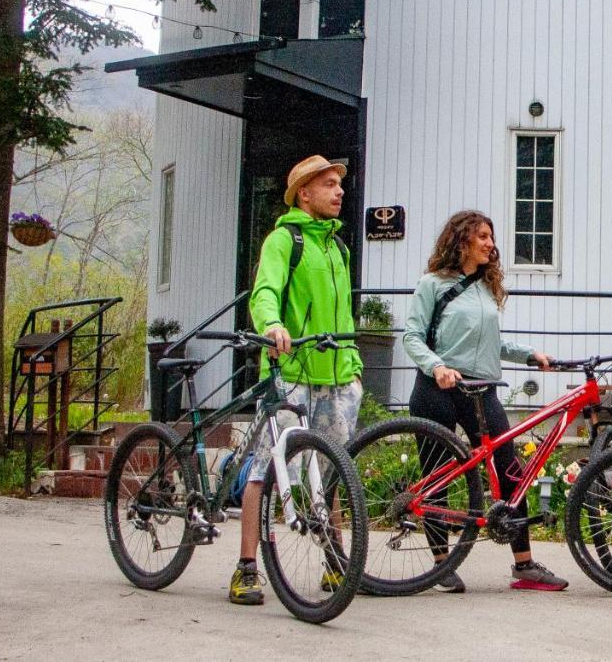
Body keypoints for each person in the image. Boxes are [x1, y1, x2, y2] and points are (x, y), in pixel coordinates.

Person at [402, 210, 566, 593]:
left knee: (511, 471)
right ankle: (441, 564)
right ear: (461, 241)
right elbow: (412, 337)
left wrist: (530, 354)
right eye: (483, 237)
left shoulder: (486, 286)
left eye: (491, 237)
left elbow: (494, 343)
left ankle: (524, 566)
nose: (491, 244)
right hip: (437, 388)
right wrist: (437, 365)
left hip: (482, 390)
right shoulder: (433, 284)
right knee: (437, 476)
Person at [229, 155, 364, 606]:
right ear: (304, 193)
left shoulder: (337, 247)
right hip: (290, 373)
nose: (338, 191)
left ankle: (335, 563)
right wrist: (271, 324)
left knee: (334, 471)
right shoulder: (284, 240)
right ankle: (247, 567)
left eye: (338, 185)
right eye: (329, 184)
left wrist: (356, 365)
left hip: (339, 376)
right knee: (269, 468)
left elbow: (344, 314)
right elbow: (264, 290)